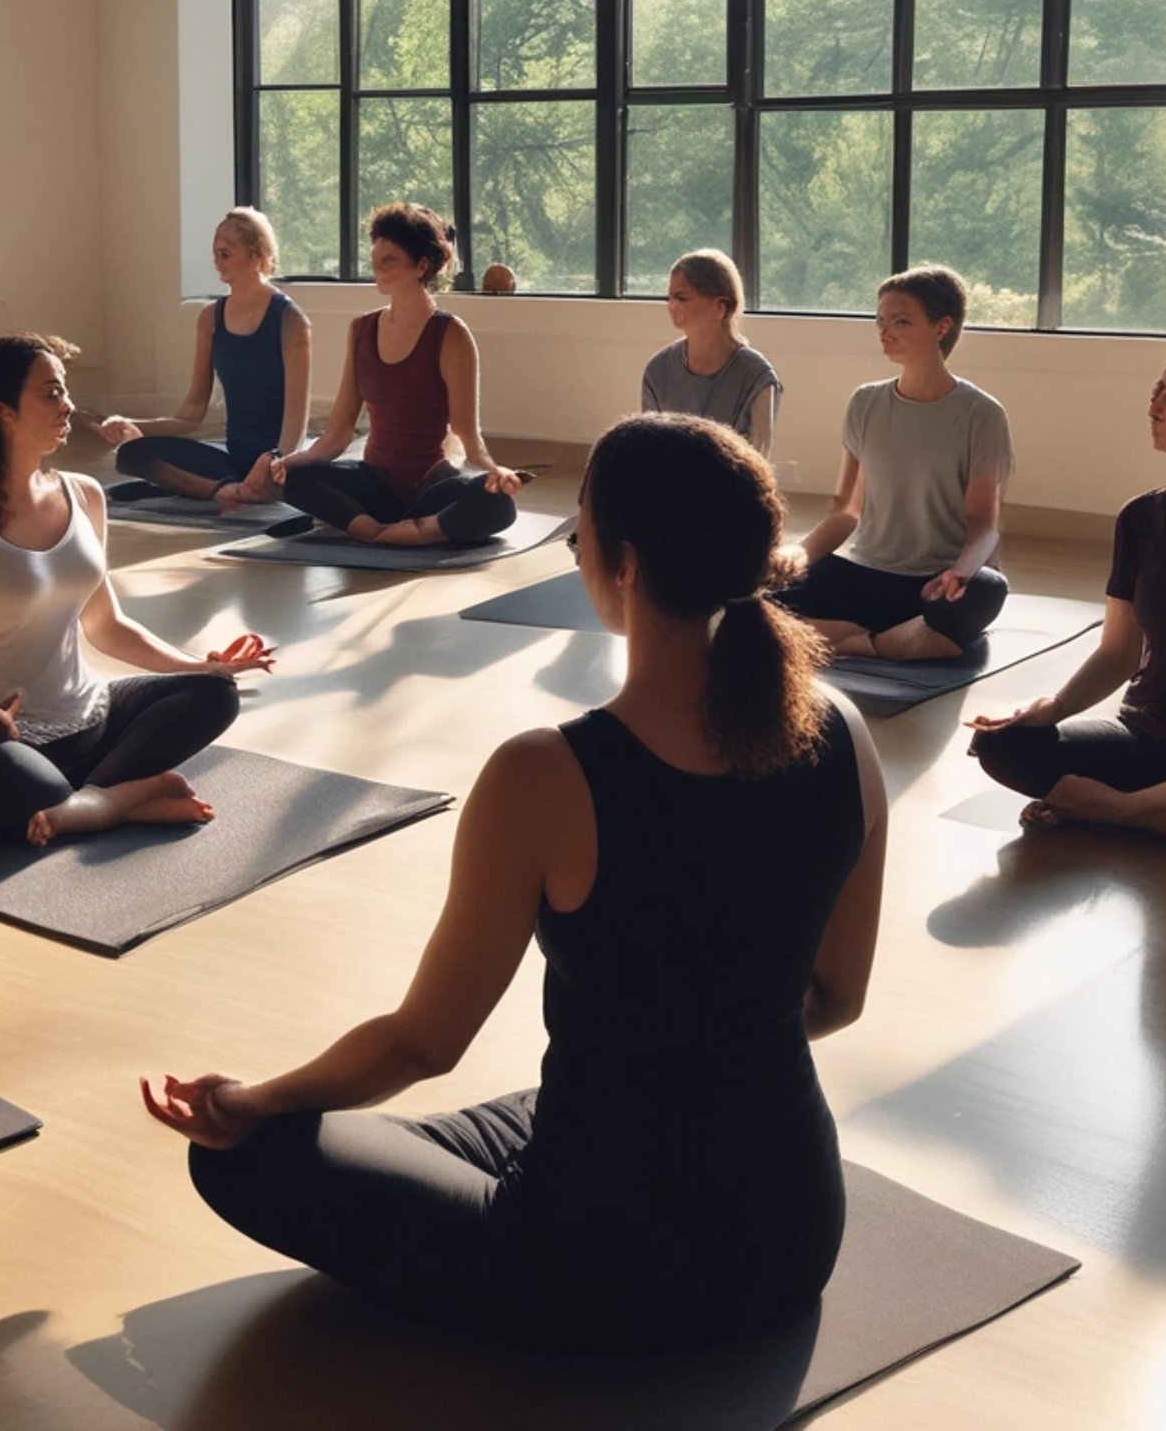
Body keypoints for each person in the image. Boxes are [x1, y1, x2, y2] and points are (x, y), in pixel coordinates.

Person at [144, 415, 887, 1346]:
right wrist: (702, 1051)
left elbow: (423, 1044)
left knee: (247, 1153)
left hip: (601, 1263)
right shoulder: (843, 732)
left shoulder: (546, 774)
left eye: (582, 534)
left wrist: (250, 1099)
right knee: (543, 1105)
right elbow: (837, 1000)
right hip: (792, 1236)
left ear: (623, 563)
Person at [0, 333, 276, 848]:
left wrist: (198, 666)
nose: (68, 405)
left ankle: (96, 801)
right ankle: (121, 796)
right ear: (4, 411)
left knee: (213, 695)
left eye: (65, 390)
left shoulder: (84, 495)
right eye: (51, 393)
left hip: (89, 715)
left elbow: (105, 624)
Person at [968, 340, 1166, 844]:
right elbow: (1118, 651)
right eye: (1155, 393)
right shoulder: (1141, 519)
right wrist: (1054, 707)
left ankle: (1117, 810)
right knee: (1002, 745)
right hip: (1147, 739)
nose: (1153, 407)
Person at [771, 265, 1013, 660]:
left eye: (901, 322)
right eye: (880, 321)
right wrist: (793, 557)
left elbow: (984, 524)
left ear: (942, 327)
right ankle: (891, 643)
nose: (885, 332)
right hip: (867, 576)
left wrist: (960, 573)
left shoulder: (981, 413)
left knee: (987, 590)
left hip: (933, 584)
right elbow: (845, 512)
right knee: (759, 587)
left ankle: (848, 639)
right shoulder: (865, 402)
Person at [270, 203, 526, 546]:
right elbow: (338, 434)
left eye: (389, 260)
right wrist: (293, 460)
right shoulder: (361, 329)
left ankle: (418, 530)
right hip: (374, 483)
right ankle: (372, 531)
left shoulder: (450, 334)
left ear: (422, 265)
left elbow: (468, 437)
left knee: (498, 504)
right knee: (295, 478)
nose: (377, 268)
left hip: (432, 486)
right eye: (375, 260)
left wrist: (495, 472)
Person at [94, 209, 312, 510]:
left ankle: (227, 488)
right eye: (215, 253)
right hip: (233, 460)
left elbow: (297, 420)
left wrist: (276, 463)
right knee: (132, 453)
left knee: (300, 480)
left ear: (257, 256)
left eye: (225, 253)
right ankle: (229, 490)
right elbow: (191, 413)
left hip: (275, 463)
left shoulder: (291, 319)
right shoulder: (210, 317)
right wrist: (133, 425)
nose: (217, 261)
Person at [640, 248, 781, 455]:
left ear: (720, 307)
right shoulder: (658, 370)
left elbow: (758, 459)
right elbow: (649, 449)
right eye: (669, 298)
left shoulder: (757, 376)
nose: (671, 307)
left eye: (682, 298)